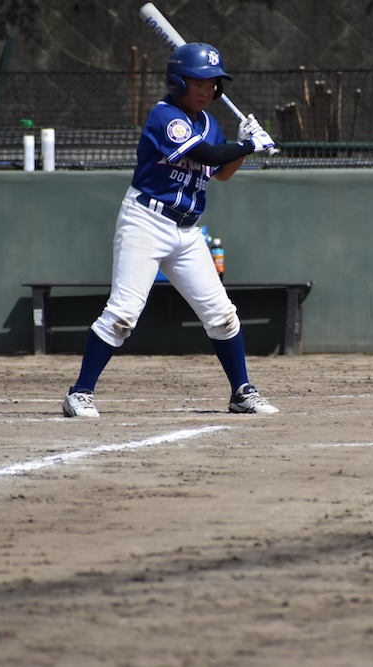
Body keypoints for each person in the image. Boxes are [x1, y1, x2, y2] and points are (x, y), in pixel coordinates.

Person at [61, 42, 280, 418]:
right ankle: (79, 393)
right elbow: (204, 155)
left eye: (212, 84)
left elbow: (221, 172)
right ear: (178, 82)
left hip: (188, 232)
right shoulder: (166, 116)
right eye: (199, 83)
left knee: (221, 314)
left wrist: (244, 148)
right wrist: (247, 144)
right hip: (146, 222)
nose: (207, 90)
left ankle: (241, 392)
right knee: (123, 314)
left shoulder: (209, 125)